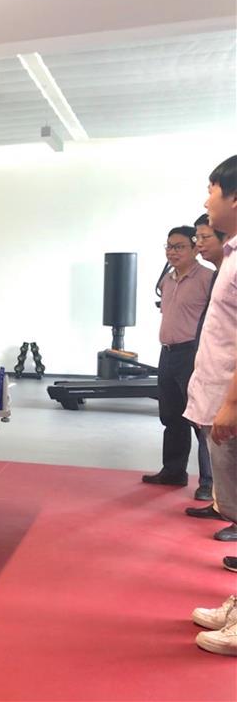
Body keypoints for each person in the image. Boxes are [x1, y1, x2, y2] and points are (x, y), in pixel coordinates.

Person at [184, 154, 237, 654]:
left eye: (212, 190)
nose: (207, 199)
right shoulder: (233, 254)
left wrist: (231, 404)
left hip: (232, 406)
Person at [141, 226, 214, 488]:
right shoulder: (167, 280)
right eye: (169, 246)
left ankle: (209, 483)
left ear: (195, 249)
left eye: (179, 247)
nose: (172, 252)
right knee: (171, 416)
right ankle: (173, 472)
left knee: (200, 420)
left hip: (192, 353)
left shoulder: (208, 278)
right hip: (167, 353)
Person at [186, 213, 227, 509]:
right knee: (211, 441)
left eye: (205, 237)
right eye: (196, 238)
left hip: (227, 378)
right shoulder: (219, 273)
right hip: (208, 366)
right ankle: (220, 504)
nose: (199, 244)